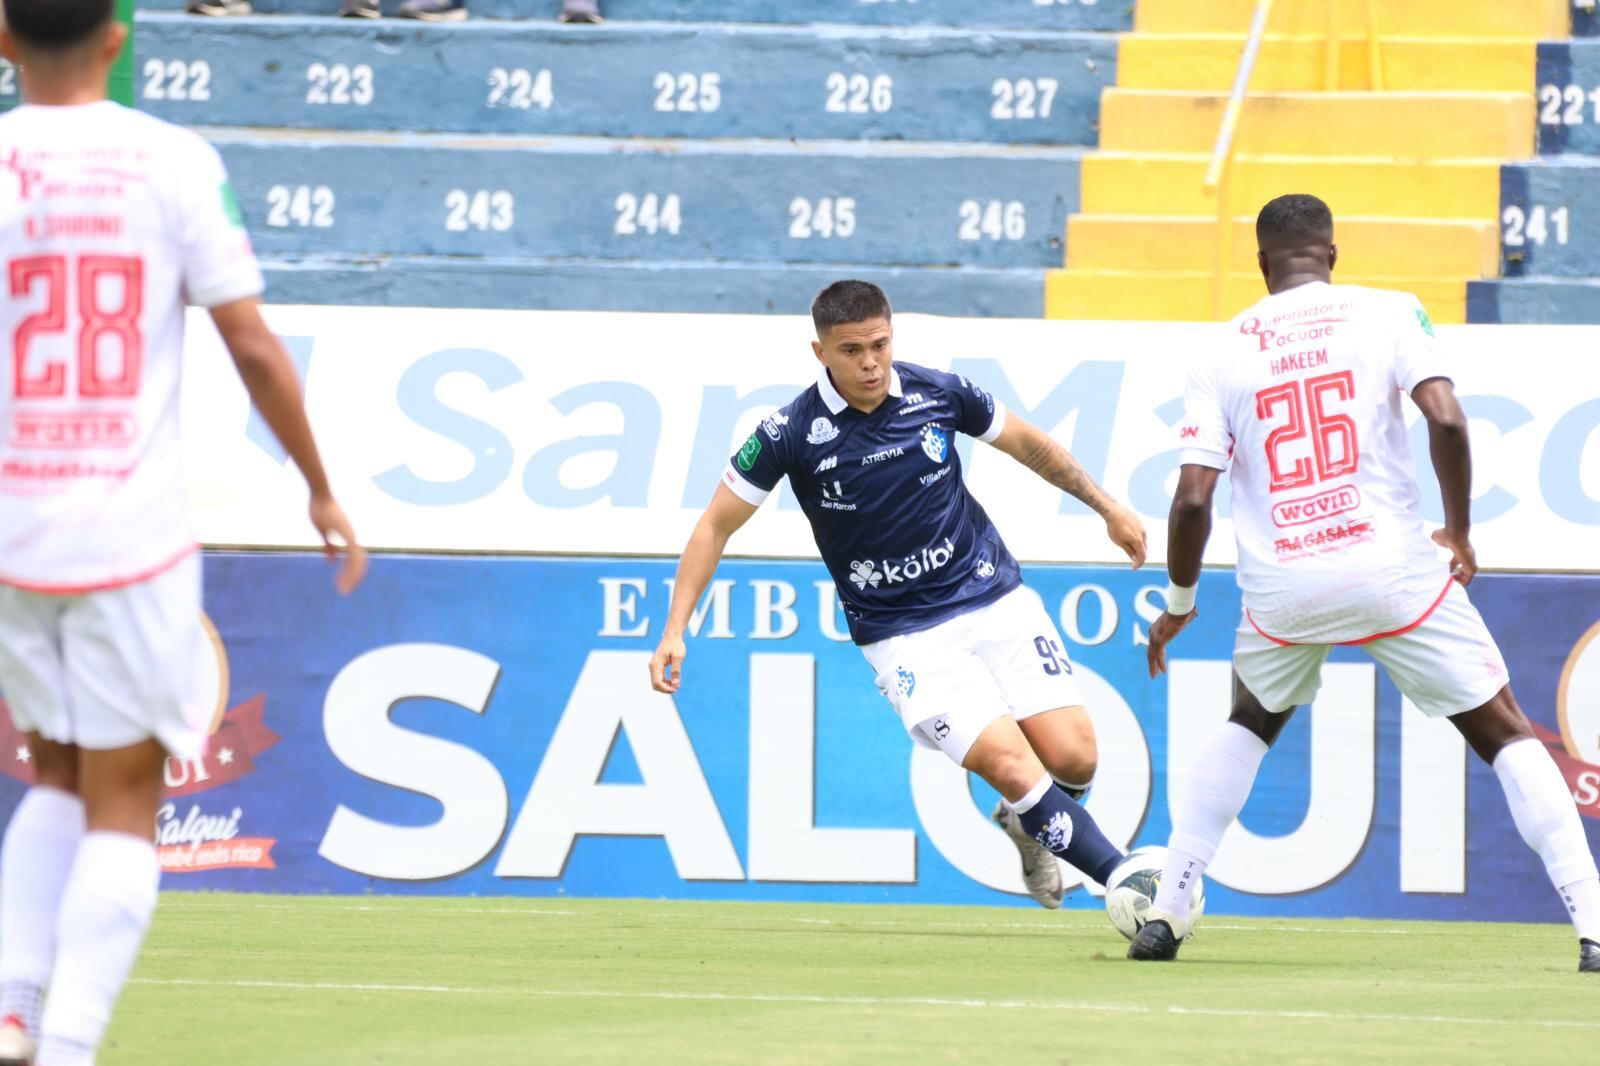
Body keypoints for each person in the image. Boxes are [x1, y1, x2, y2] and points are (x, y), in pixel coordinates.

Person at [0, 2, 368, 1063]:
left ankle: (14, 1005)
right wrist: (319, 485)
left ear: (4, 38)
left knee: (54, 772)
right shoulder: (171, 159)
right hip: (128, 530)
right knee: (123, 796)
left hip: (15, 526)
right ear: (117, 38)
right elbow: (249, 343)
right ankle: (66, 1044)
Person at [1134, 193, 1600, 973]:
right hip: (1393, 572)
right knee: (1505, 731)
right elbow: (1447, 420)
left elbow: (1190, 500)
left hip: (1286, 589)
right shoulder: (1390, 313)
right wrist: (1459, 530)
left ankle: (1170, 909)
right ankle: (1592, 922)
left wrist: (1179, 604)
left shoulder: (1220, 352)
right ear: (1333, 255)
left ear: (1262, 264)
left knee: (1249, 721)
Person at [649, 280, 1149, 909]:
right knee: (1016, 768)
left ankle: (1028, 825)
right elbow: (714, 525)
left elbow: (1030, 445)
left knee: (1074, 760)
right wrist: (675, 629)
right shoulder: (787, 432)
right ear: (820, 352)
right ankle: (1131, 884)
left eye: (879, 345)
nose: (869, 363)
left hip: (993, 595)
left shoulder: (938, 392)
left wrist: (1107, 508)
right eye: (851, 350)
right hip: (906, 638)